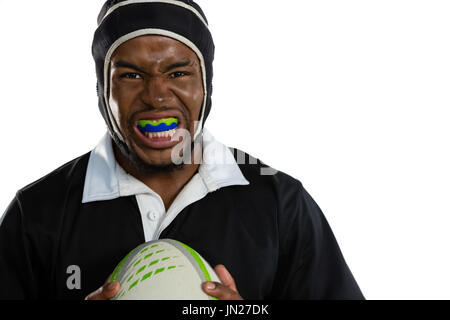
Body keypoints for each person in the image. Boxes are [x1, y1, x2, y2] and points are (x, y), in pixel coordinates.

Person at [0, 0, 364, 300]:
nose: (156, 96)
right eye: (130, 75)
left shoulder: (280, 203)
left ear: (206, 85)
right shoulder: (37, 212)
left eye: (178, 74)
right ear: (101, 90)